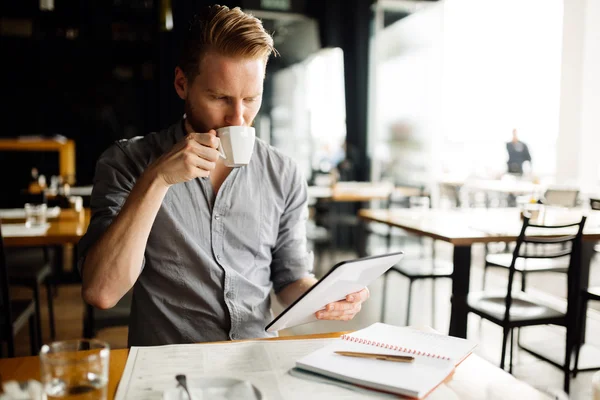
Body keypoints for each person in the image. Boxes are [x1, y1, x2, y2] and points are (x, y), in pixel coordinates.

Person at [78, 5, 369, 347]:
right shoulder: (127, 161)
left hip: (256, 358)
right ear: (181, 84)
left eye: (251, 98)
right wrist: (156, 180)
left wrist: (322, 296)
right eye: (219, 98)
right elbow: (101, 292)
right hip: (171, 368)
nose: (237, 118)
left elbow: (290, 280)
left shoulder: (283, 172)